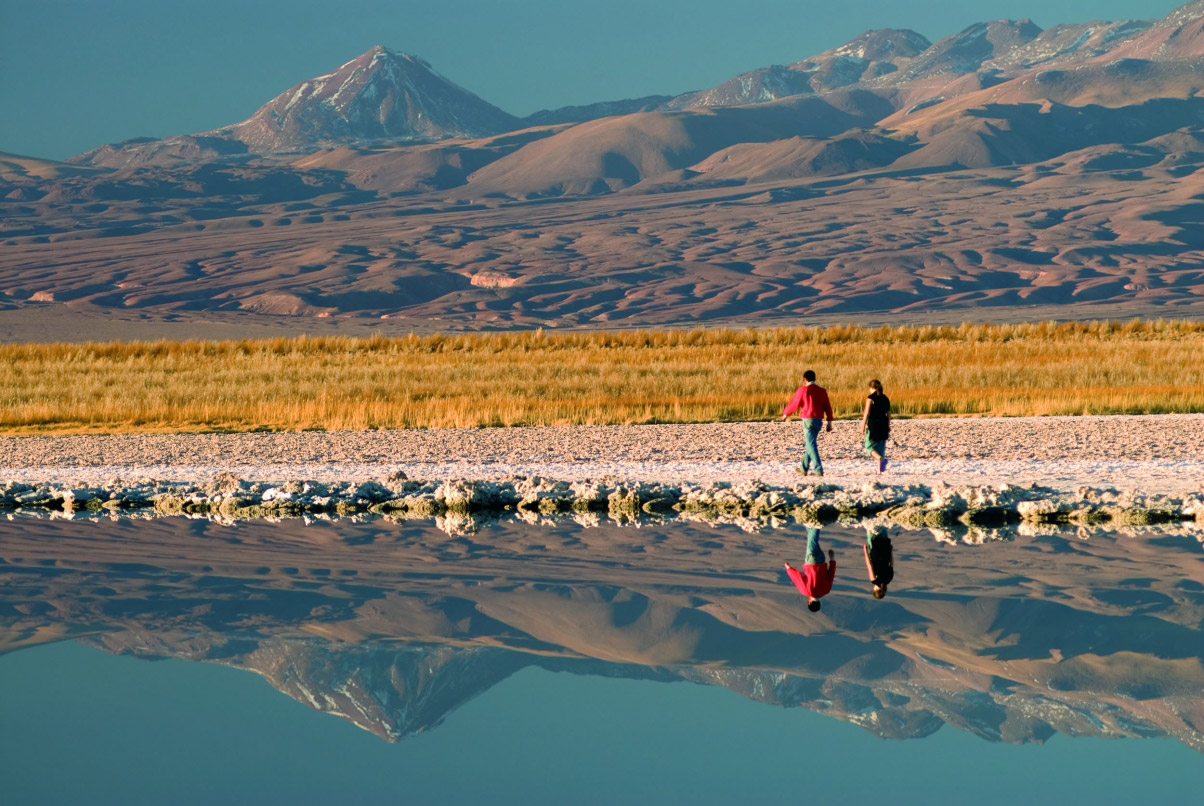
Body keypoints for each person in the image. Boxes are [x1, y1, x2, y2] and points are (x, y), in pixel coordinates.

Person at [780, 369, 834, 477]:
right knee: (811, 444)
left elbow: (794, 404)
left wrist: (786, 414)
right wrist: (829, 422)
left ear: (805, 379)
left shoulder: (803, 390)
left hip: (808, 420)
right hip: (818, 421)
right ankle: (803, 468)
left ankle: (818, 469)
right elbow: (827, 407)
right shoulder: (822, 391)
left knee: (811, 444)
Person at [783, 527, 836, 611]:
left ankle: (809, 521)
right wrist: (789, 569)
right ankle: (817, 522)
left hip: (822, 561)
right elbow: (798, 579)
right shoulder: (806, 591)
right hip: (811, 563)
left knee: (811, 537)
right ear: (810, 602)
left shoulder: (826, 590)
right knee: (813, 535)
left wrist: (832, 559)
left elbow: (831, 575)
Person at [860, 379, 891, 473]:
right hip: (883, 424)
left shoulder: (870, 398)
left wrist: (863, 425)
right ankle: (879, 469)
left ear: (872, 388)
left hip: (873, 424)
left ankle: (879, 458)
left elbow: (866, 412)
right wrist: (888, 425)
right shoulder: (885, 398)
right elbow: (889, 413)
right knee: (881, 447)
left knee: (869, 446)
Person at [863, 524, 894, 599]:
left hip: (885, 547)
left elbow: (891, 563)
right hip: (874, 548)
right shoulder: (874, 580)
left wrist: (890, 551)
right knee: (870, 526)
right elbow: (869, 565)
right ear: (876, 589)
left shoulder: (889, 579)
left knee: (882, 525)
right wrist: (865, 551)